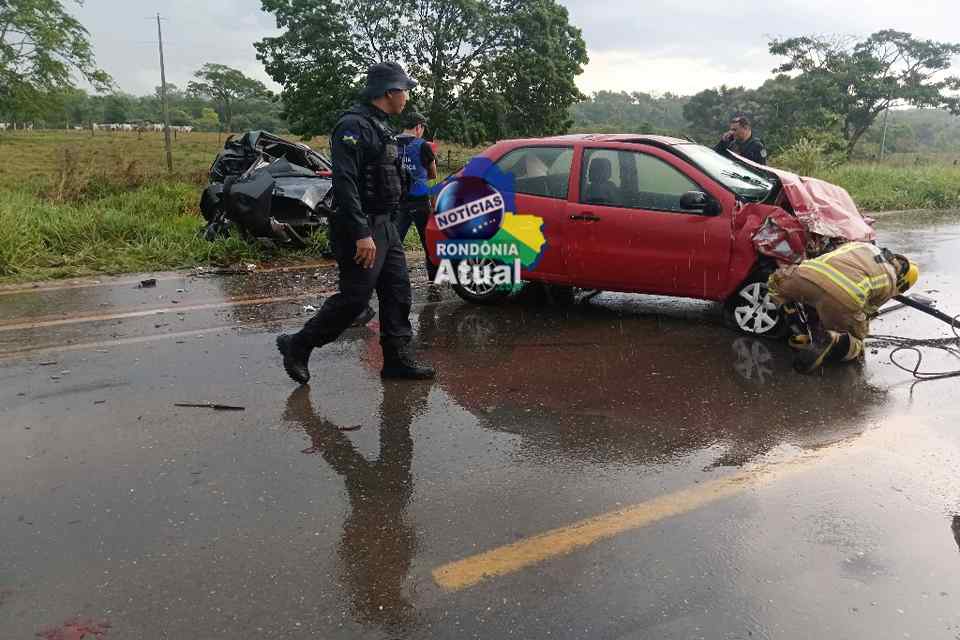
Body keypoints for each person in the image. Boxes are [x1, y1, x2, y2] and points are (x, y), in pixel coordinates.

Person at [276, 61, 436, 384]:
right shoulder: (352, 126)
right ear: (389, 92)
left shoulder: (382, 125)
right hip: (361, 227)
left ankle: (396, 360)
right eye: (404, 90)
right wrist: (362, 232)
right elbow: (345, 181)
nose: (406, 96)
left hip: (387, 226)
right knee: (354, 301)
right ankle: (298, 344)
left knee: (398, 292)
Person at [767, 242, 919, 373]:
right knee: (857, 343)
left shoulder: (865, 246)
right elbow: (863, 314)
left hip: (809, 275)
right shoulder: (890, 282)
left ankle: (794, 325)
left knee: (775, 282)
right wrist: (861, 333)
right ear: (902, 281)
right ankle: (834, 338)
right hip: (843, 298)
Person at [394, 111, 438, 281]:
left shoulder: (391, 143)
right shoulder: (423, 146)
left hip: (398, 199)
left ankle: (391, 278)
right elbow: (433, 174)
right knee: (428, 242)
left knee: (394, 242)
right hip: (419, 199)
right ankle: (434, 279)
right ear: (419, 126)